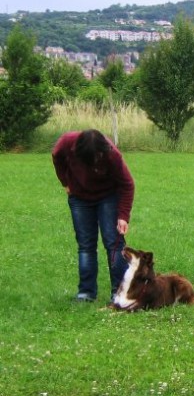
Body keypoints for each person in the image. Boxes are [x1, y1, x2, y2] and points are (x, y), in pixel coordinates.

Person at [52, 129, 135, 302]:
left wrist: (123, 216)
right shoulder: (67, 143)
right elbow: (56, 156)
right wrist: (64, 182)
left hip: (108, 197)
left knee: (114, 243)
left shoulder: (112, 155)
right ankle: (86, 293)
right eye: (94, 158)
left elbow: (127, 184)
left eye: (99, 156)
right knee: (86, 245)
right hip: (79, 198)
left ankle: (119, 293)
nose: (97, 160)